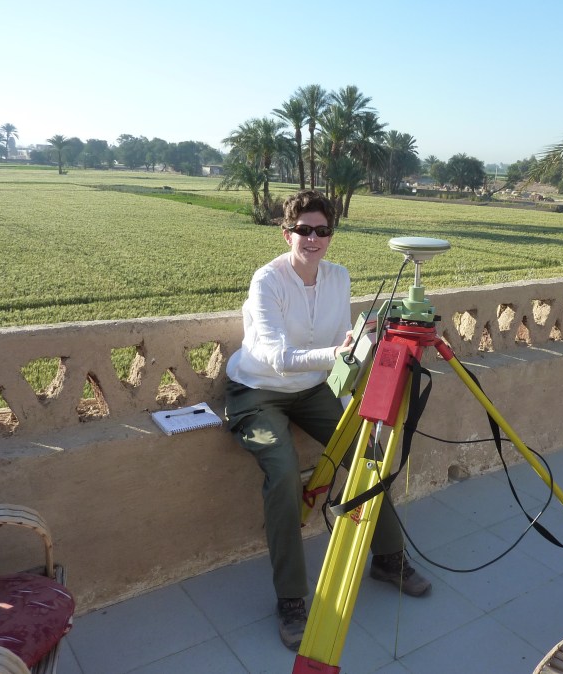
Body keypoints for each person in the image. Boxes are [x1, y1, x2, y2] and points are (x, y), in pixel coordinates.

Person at [224, 190, 430, 652]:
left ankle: (388, 557)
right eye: (303, 230)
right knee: (282, 473)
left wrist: (360, 361)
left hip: (313, 389)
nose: (313, 238)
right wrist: (338, 350)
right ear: (287, 233)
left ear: (331, 235)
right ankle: (291, 599)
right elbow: (277, 357)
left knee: (366, 452)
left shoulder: (338, 277)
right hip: (257, 391)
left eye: (322, 230)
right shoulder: (268, 280)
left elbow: (343, 341)